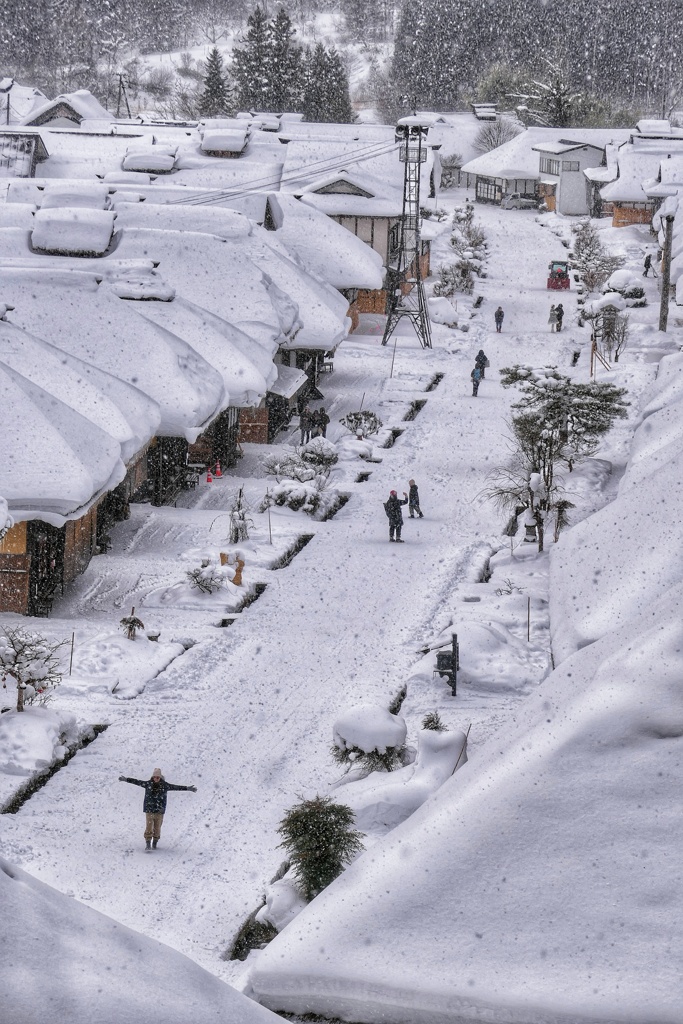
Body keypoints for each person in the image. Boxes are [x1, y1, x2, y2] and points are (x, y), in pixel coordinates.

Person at [119, 768, 197, 850]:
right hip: (149, 809)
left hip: (159, 810)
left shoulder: (165, 785)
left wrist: (187, 788)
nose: (156, 778)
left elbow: (176, 787)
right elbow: (137, 782)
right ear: (152, 777)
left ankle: (155, 842)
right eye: (154, 777)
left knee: (157, 828)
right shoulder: (148, 784)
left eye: (158, 777)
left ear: (160, 777)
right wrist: (126, 779)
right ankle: (148, 843)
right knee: (149, 826)